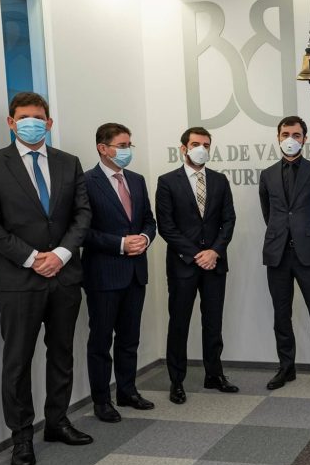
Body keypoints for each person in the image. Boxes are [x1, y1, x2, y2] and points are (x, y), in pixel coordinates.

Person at [0, 91, 93, 465]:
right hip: (18, 280)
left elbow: (82, 215)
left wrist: (61, 254)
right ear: (11, 123)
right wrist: (31, 257)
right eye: (23, 118)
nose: (31, 123)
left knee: (62, 353)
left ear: (49, 123)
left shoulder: (69, 162)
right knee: (18, 360)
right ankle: (21, 436)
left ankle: (57, 422)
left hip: (65, 275)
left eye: (38, 118)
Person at [155, 126, 238, 404]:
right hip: (183, 265)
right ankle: (176, 381)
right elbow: (166, 227)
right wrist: (196, 254)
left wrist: (214, 251)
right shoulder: (167, 182)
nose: (201, 149)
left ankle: (214, 374)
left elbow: (229, 220)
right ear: (183, 148)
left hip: (215, 264)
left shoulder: (220, 180)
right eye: (195, 144)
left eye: (206, 144)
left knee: (213, 322)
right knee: (179, 323)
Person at [81, 123, 157, 423]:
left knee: (129, 339)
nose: (127, 150)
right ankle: (102, 401)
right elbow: (82, 231)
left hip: (135, 273)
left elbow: (149, 220)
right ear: (103, 148)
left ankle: (127, 391)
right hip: (103, 274)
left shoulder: (136, 180)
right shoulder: (85, 182)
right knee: (101, 342)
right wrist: (120, 244)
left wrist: (145, 238)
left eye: (129, 145)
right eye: (122, 145)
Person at [259, 116, 310, 391]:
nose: (290, 139)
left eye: (296, 135)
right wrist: (283, 235)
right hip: (277, 254)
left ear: (304, 139)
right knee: (281, 314)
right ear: (278, 137)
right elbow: (268, 213)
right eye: (285, 134)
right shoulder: (267, 175)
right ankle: (286, 368)